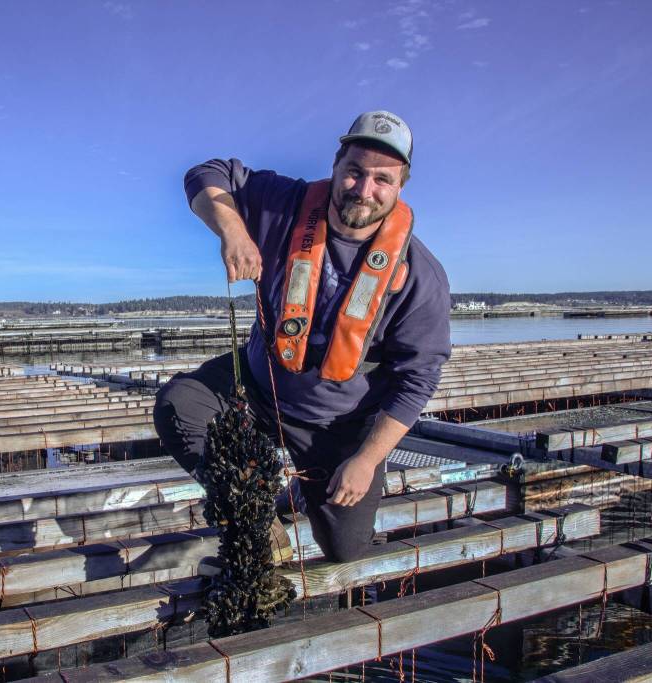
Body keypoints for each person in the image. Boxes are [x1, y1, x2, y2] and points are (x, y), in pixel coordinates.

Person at [153, 110, 451, 563]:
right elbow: (206, 173)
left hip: (340, 423)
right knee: (179, 404)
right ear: (336, 166)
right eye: (354, 171)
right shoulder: (285, 204)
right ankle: (253, 511)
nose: (363, 189)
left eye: (381, 180)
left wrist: (366, 461)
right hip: (260, 389)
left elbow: (419, 378)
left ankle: (303, 489)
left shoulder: (420, 274)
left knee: (345, 549)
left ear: (400, 186)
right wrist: (233, 231)